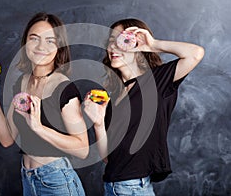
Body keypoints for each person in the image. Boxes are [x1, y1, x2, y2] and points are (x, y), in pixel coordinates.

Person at [83, 18, 204, 195]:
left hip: (133, 188)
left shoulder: (156, 81)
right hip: (111, 186)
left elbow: (196, 53)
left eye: (121, 41)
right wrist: (98, 123)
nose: (113, 48)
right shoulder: (112, 94)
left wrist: (154, 44)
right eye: (110, 43)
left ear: (137, 44)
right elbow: (108, 158)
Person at [0, 12, 88, 196]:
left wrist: (38, 127)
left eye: (50, 41)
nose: (40, 46)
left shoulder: (64, 88)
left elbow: (82, 149)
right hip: (28, 180)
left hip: (56, 181)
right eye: (34, 39)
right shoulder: (21, 83)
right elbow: (6, 139)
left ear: (59, 47)